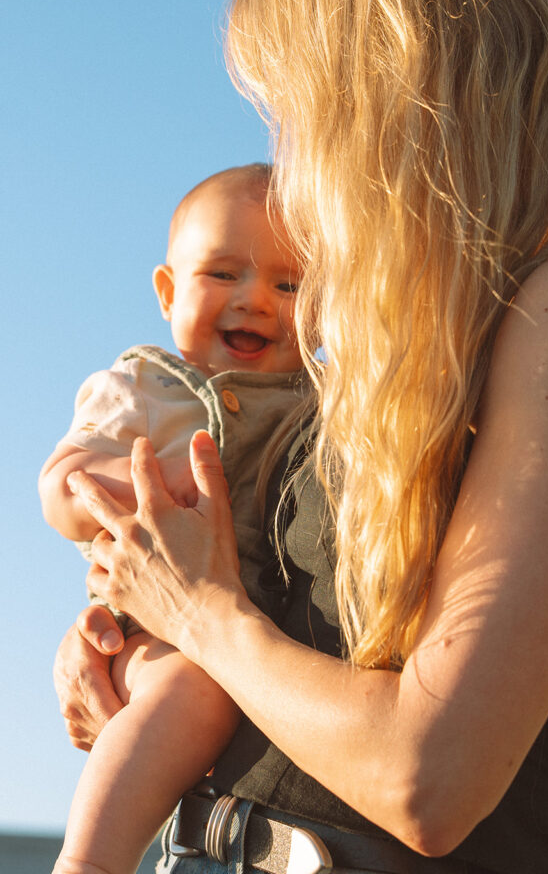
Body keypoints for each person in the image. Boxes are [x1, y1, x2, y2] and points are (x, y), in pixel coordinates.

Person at [54, 0, 548, 873]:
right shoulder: (396, 344)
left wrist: (201, 616)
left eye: (300, 109)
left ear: (392, 82)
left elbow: (425, 777)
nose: (293, 168)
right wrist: (133, 644)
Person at [40, 164, 306, 874]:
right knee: (191, 694)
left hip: (253, 630)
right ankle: (91, 860)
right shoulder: (146, 389)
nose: (254, 301)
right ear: (167, 291)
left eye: (289, 286)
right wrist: (138, 488)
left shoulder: (318, 402)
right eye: (223, 274)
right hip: (150, 622)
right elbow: (57, 486)